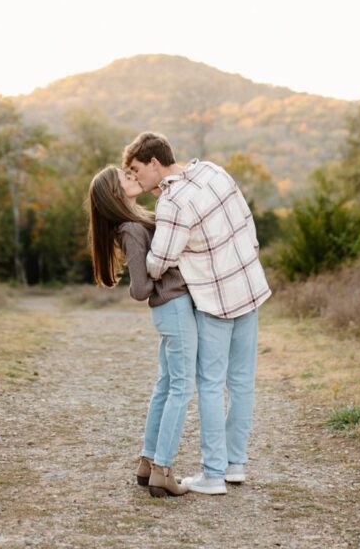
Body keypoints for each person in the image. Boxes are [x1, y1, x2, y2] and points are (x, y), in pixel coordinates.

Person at [123, 132, 272, 496]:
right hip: (249, 288)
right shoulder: (212, 172)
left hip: (215, 302)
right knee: (240, 383)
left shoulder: (173, 202)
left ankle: (213, 474)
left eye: (137, 169)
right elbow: (247, 223)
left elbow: (159, 260)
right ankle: (236, 464)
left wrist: (147, 265)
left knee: (207, 383)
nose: (135, 177)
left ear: (154, 163)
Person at [87, 164, 196, 498]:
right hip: (173, 307)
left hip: (169, 310)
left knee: (166, 385)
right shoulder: (132, 229)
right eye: (125, 178)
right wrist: (159, 273)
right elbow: (138, 289)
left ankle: (148, 462)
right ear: (114, 193)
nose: (131, 177)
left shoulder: (134, 220)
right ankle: (163, 470)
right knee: (180, 387)